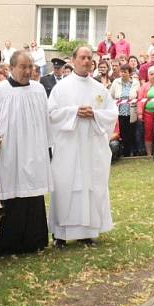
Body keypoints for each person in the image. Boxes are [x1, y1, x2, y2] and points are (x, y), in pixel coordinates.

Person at [0, 51, 51, 256]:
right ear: (11, 68)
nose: (28, 71)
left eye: (31, 67)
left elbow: (46, 122)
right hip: (7, 154)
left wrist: (46, 148)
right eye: (23, 67)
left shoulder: (38, 90)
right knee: (7, 191)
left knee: (31, 192)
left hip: (33, 152)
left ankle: (32, 241)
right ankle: (3, 245)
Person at [48, 46, 116, 248]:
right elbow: (51, 114)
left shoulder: (99, 89)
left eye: (89, 58)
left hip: (91, 148)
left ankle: (87, 232)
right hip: (68, 146)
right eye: (82, 57)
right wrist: (74, 112)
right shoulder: (61, 87)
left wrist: (94, 114)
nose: (86, 61)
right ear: (74, 60)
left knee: (90, 186)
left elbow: (111, 114)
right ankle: (61, 234)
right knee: (65, 185)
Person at [109, 64, 140, 157]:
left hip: (131, 111)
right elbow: (111, 95)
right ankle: (125, 152)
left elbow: (138, 96)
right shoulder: (116, 82)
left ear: (129, 73)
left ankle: (133, 151)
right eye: (121, 72)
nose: (123, 74)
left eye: (125, 72)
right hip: (120, 112)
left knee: (132, 132)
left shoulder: (135, 82)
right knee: (123, 132)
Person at [137, 66, 154, 158]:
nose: (153, 76)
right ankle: (149, 153)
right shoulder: (144, 87)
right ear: (148, 75)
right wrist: (140, 113)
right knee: (148, 133)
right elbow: (140, 100)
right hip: (148, 113)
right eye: (151, 74)